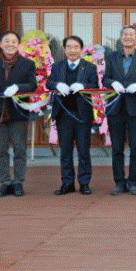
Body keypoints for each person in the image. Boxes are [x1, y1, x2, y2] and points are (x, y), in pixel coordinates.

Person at [0, 31, 37, 197]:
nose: (10, 44)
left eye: (14, 41)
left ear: (18, 45)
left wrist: (18, 88)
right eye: (6, 41)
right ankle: (5, 182)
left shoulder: (27, 64)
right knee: (0, 150)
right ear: (0, 44)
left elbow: (32, 85)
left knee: (20, 149)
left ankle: (18, 182)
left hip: (18, 113)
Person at [103, 26, 136, 196]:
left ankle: (133, 182)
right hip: (116, 108)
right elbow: (105, 79)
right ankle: (119, 182)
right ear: (121, 38)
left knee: (135, 148)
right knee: (117, 148)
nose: (128, 37)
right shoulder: (111, 57)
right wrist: (113, 83)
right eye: (125, 34)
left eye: (131, 35)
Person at [47, 35, 99, 196]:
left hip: (82, 115)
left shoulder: (89, 67)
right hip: (63, 114)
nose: (72, 50)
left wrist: (83, 85)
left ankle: (84, 183)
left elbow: (95, 84)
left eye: (76, 47)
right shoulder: (57, 66)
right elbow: (49, 83)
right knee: (65, 151)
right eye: (69, 47)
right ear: (64, 49)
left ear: (81, 49)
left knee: (83, 150)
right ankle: (67, 183)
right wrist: (57, 84)